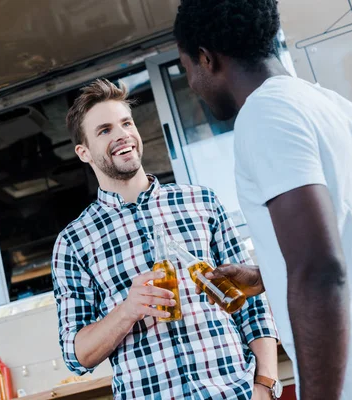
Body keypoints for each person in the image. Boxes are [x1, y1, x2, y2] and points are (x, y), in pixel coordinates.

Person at [52, 79, 279, 399]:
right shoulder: (73, 242)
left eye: (126, 123)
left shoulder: (202, 202)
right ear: (84, 152)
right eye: (104, 130)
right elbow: (77, 355)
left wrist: (265, 385)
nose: (121, 135)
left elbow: (252, 303)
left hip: (232, 392)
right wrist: (127, 310)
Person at [173, 1, 352, 399]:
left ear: (206, 58)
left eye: (186, 69)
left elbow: (320, 270)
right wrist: (264, 274)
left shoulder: (264, 114)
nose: (191, 85)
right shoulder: (328, 104)